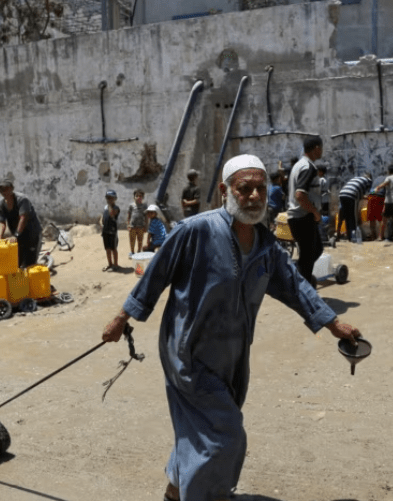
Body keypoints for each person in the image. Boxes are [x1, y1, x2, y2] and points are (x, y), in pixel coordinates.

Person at [100, 154, 362, 501]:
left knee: (203, 428)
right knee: (225, 434)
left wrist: (333, 324)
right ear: (225, 191)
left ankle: (174, 493)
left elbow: (295, 286)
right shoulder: (196, 231)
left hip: (233, 357)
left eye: (260, 189)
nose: (254, 196)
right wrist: (122, 318)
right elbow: (156, 274)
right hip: (188, 354)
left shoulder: (266, 245)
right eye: (244, 188)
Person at [286, 138, 325, 287]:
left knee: (316, 250)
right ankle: (303, 290)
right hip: (303, 218)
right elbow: (300, 195)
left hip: (298, 218)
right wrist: (315, 212)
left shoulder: (298, 165)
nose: (322, 151)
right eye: (321, 148)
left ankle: (298, 276)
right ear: (316, 148)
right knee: (307, 259)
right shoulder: (308, 167)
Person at [0, 179, 43, 268]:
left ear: (12, 188)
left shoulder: (22, 199)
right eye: (1, 189)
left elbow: (23, 218)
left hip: (31, 233)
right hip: (18, 235)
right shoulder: (0, 204)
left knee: (29, 265)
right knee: (16, 263)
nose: (4, 191)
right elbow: (2, 222)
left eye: (6, 188)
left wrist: (16, 235)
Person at [373, 164, 393, 243]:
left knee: (384, 219)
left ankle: (380, 237)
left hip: (389, 202)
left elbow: (385, 183)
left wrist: (378, 188)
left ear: (389, 171)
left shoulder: (389, 178)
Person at [337, 172, 373, 242]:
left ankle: (343, 236)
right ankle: (353, 237)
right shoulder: (369, 180)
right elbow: (370, 192)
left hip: (342, 194)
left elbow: (359, 193)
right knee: (352, 217)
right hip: (351, 195)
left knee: (346, 217)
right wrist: (373, 193)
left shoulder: (356, 178)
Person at [100, 190, 120, 271]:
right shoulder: (105, 207)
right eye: (108, 198)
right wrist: (101, 223)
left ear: (115, 199)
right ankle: (110, 264)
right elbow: (102, 217)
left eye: (111, 198)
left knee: (113, 249)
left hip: (112, 232)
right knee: (107, 249)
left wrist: (109, 205)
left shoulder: (116, 208)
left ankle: (115, 265)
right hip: (105, 231)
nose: (109, 200)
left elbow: (112, 214)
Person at [127, 189, 148, 256]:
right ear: (134, 197)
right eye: (137, 196)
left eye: (140, 196)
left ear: (143, 197)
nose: (138, 197)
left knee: (140, 240)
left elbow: (146, 217)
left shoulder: (144, 206)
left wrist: (146, 226)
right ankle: (132, 252)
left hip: (141, 227)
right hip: (132, 226)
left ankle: (139, 252)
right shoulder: (131, 205)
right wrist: (128, 225)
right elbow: (129, 216)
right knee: (132, 240)